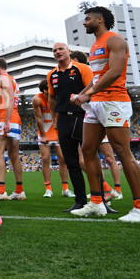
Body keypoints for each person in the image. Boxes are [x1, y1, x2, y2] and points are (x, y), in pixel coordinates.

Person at [70, 6, 140, 222]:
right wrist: (82, 94)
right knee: (87, 151)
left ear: (100, 19)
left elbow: (115, 72)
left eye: (87, 19)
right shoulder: (95, 44)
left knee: (122, 151)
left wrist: (89, 94)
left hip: (114, 101)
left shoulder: (115, 40)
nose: (84, 23)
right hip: (96, 103)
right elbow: (97, 77)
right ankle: (97, 202)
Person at [70, 50, 122, 201]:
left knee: (110, 157)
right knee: (86, 158)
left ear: (76, 60)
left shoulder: (86, 71)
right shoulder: (74, 74)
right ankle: (104, 189)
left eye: (72, 60)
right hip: (88, 116)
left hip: (98, 114)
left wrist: (82, 96)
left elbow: (94, 88)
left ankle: (114, 189)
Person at [47, 42, 90, 212]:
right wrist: (54, 119)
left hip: (83, 116)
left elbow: (92, 88)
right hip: (63, 119)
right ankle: (80, 201)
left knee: (89, 159)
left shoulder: (82, 68)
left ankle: (99, 198)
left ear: (68, 52)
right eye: (55, 50)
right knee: (70, 161)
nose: (57, 52)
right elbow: (52, 98)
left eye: (60, 49)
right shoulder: (52, 74)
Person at [32, 79, 74, 198]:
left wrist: (63, 133)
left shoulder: (58, 98)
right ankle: (48, 189)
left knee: (63, 159)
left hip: (58, 133)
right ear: (45, 89)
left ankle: (65, 189)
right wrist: (43, 135)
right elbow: (38, 118)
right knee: (45, 159)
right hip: (44, 133)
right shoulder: (37, 99)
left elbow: (62, 116)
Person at [0, 58, 25, 201]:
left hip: (8, 119)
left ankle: (1, 190)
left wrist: (5, 121)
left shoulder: (4, 79)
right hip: (14, 119)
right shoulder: (11, 79)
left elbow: (10, 100)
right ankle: (19, 190)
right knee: (13, 155)